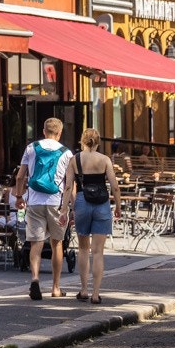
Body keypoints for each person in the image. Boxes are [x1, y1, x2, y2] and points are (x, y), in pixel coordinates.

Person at [14, 117, 74, 301]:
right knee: (57, 244)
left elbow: (20, 177)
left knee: (36, 243)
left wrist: (18, 197)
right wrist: (71, 206)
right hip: (56, 202)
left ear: (43, 130)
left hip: (35, 201)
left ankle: (35, 278)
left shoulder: (31, 148)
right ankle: (56, 287)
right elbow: (69, 184)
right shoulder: (67, 153)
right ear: (60, 132)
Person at [68, 129, 118, 305]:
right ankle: (96, 294)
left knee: (83, 249)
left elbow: (68, 187)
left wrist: (64, 210)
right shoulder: (105, 160)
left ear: (82, 141)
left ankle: (83, 290)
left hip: (82, 201)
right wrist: (118, 206)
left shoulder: (74, 160)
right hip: (102, 203)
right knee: (98, 252)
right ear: (98, 142)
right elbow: (114, 185)